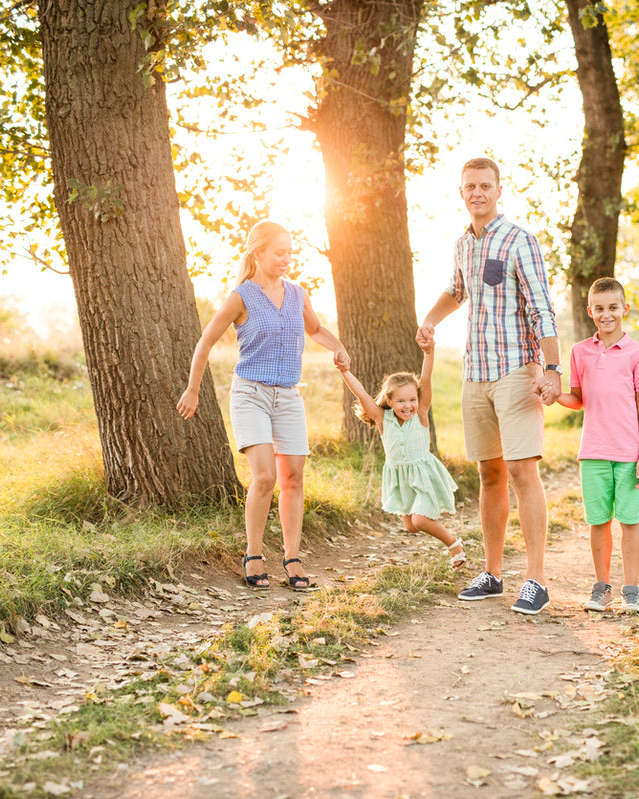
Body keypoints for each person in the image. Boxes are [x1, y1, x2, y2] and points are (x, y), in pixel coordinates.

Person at [416, 157, 561, 615]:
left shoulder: (520, 240)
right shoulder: (463, 244)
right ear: (461, 193)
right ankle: (493, 574)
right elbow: (458, 291)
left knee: (522, 471)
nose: (477, 192)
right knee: (489, 473)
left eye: (484, 185)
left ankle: (536, 579)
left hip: (517, 371)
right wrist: (430, 319)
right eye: (469, 186)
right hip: (475, 373)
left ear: (499, 190)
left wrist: (552, 369)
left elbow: (542, 309)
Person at [177, 220, 350, 590]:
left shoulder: (298, 293)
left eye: (290, 252)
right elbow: (205, 342)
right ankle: (253, 553)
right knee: (266, 476)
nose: (287, 258)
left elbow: (314, 329)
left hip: (288, 396)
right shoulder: (242, 296)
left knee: (294, 478)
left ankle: (292, 556)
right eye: (279, 252)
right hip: (250, 394)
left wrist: (337, 346)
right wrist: (193, 390)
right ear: (259, 253)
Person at [554, 277, 639, 613]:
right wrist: (554, 396)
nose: (606, 314)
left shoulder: (638, 353)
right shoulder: (579, 351)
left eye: (612, 307)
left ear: (624, 309)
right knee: (598, 521)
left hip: (628, 454)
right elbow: (578, 399)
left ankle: (632, 590)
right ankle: (601, 588)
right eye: (599, 308)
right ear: (590, 311)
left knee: (630, 520)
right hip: (593, 452)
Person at [335, 340, 468, 569]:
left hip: (423, 474)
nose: (408, 405)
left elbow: (425, 380)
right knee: (410, 526)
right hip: (402, 478)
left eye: (412, 399)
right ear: (389, 401)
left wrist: (429, 353)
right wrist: (345, 372)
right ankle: (430, 520)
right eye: (401, 401)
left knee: (420, 520)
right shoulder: (381, 419)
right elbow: (362, 393)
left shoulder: (421, 413)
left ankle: (454, 544)